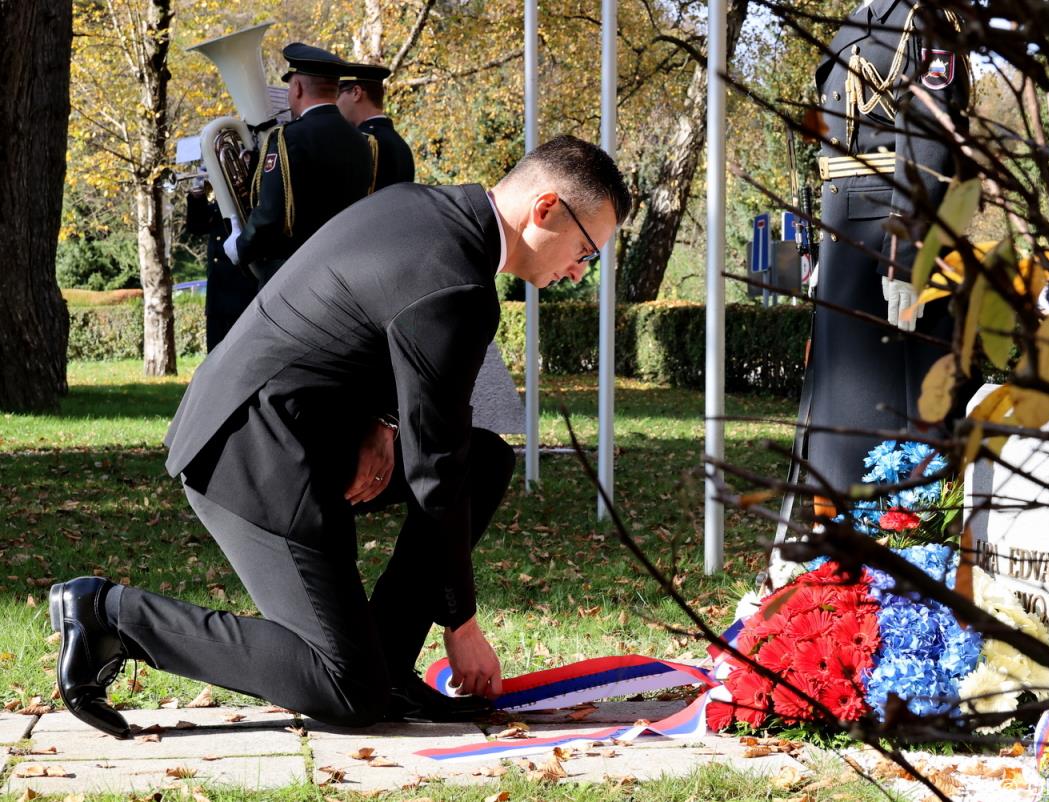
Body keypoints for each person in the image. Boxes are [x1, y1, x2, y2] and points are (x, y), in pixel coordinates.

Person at [49, 135, 631, 739]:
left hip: (285, 429)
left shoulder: (421, 208)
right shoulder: (458, 284)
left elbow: (361, 323)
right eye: (585, 251)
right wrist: (461, 623)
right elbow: (434, 467)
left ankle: (390, 667)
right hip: (251, 451)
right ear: (545, 208)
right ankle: (110, 616)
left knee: (485, 462)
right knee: (349, 691)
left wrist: (383, 422)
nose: (578, 271)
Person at [780, 0, 972, 521]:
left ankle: (907, 540)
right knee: (842, 410)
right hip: (846, 235)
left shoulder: (925, 20)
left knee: (899, 408)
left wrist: (908, 257)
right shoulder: (854, 22)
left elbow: (929, 136)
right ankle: (838, 533)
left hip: (891, 231)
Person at [225, 43, 373, 288]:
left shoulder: (287, 138)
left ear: (298, 88)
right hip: (346, 272)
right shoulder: (363, 141)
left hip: (293, 277)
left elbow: (270, 214)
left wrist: (241, 246)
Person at [184, 179, 258, 351]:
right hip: (218, 295)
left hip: (243, 289)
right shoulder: (219, 204)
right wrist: (197, 198)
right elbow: (197, 227)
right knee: (216, 354)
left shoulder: (249, 198)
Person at [336, 62, 416, 190]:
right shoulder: (401, 145)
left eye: (337, 95)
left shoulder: (363, 142)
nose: (335, 103)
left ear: (356, 93)